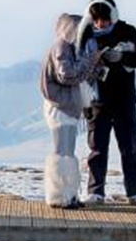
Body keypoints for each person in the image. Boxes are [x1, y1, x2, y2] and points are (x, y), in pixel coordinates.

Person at [78, 0, 136, 205]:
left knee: (130, 147)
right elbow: (78, 65)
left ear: (113, 16)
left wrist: (122, 57)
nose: (101, 24)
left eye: (105, 19)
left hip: (124, 98)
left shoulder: (127, 31)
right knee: (96, 148)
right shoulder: (84, 34)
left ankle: (135, 192)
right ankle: (95, 192)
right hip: (96, 100)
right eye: (97, 20)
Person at [40, 12, 104, 209]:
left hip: (67, 106)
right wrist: (88, 61)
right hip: (61, 106)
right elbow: (66, 76)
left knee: (67, 152)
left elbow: (78, 76)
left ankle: (68, 195)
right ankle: (60, 196)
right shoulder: (61, 47)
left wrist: (95, 64)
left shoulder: (69, 49)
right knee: (62, 152)